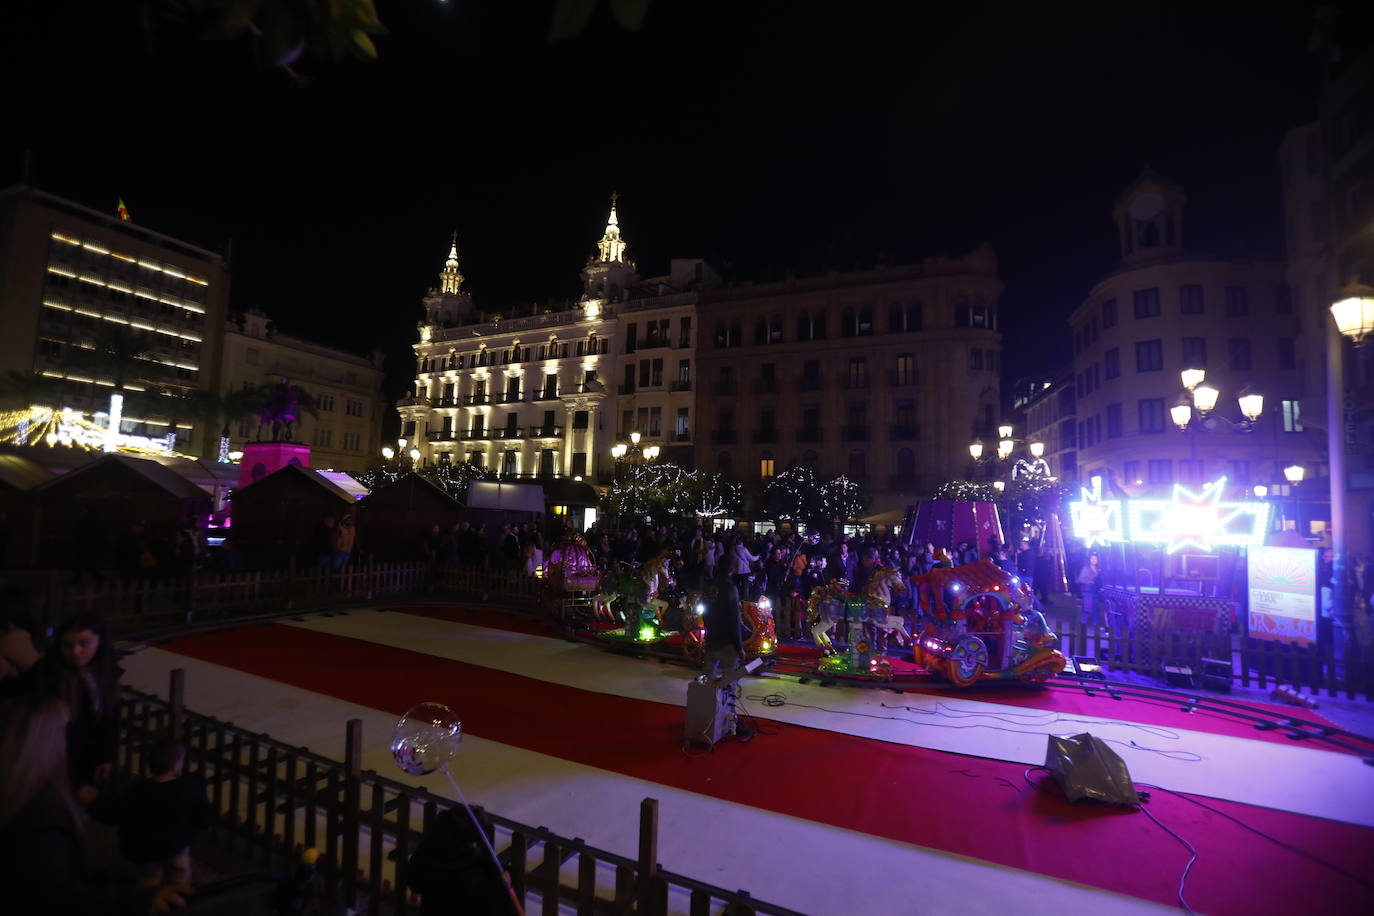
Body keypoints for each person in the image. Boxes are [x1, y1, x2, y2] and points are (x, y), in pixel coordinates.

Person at [0, 697, 193, 915]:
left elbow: (117, 812)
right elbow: (57, 897)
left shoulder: (20, 799)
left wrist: (95, 804)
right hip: (172, 848)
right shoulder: (40, 815)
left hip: (145, 852)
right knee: (176, 879)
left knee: (150, 878)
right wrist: (136, 901)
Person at [117, 737, 213, 889]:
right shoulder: (188, 789)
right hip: (175, 845)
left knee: (148, 880)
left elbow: (122, 815)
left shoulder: (137, 789)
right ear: (176, 766)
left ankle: (149, 902)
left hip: (144, 850)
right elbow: (204, 818)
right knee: (179, 876)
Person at [407, 807, 514, 915]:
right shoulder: (471, 874)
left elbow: (414, 882)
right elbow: (487, 907)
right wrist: (501, 886)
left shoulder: (428, 851)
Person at [701, 566, 744, 680]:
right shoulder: (730, 589)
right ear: (731, 570)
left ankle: (707, 697)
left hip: (711, 640)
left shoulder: (708, 587)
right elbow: (734, 619)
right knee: (728, 681)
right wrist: (739, 647)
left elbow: (705, 614)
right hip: (727, 642)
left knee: (706, 681)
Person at [1077, 552, 1102, 627]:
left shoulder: (1099, 569)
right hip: (1088, 591)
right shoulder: (1086, 568)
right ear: (1089, 560)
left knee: (1096, 608)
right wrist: (1089, 581)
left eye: (1095, 559)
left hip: (1096, 591)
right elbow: (1080, 579)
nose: (1094, 560)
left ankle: (1094, 625)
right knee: (1086, 609)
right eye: (1092, 559)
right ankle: (1082, 624)